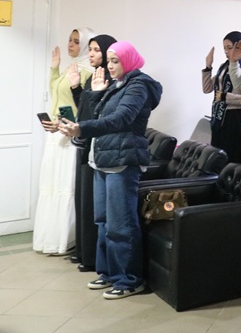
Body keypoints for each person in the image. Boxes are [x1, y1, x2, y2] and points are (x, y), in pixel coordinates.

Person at [58, 41, 163, 299]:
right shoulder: (117, 84)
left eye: (115, 61)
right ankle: (108, 273)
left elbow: (121, 119)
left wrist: (81, 128)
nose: (110, 65)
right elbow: (97, 116)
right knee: (103, 221)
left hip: (122, 161)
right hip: (103, 159)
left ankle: (129, 280)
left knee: (121, 224)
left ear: (129, 60)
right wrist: (95, 95)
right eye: (109, 61)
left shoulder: (139, 85)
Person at [34, 27, 95, 255]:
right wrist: (54, 68)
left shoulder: (87, 72)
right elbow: (56, 94)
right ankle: (50, 238)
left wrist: (64, 124)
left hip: (70, 135)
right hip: (56, 133)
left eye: (76, 41)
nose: (71, 44)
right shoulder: (72, 67)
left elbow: (84, 108)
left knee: (65, 186)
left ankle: (66, 240)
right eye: (70, 40)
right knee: (51, 185)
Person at [71, 34, 117, 273]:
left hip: (96, 146)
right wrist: (76, 88)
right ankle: (83, 252)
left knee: (92, 204)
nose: (91, 54)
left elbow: (99, 114)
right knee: (82, 198)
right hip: (85, 142)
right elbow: (85, 108)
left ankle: (90, 257)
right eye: (90, 49)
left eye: (97, 50)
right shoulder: (94, 76)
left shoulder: (108, 79)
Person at [202, 31, 241, 164]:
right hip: (218, 115)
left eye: (229, 48)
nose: (226, 51)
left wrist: (225, 97)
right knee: (215, 154)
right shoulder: (224, 67)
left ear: (240, 48)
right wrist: (208, 67)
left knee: (229, 155)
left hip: (234, 117)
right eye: (224, 48)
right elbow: (207, 89)